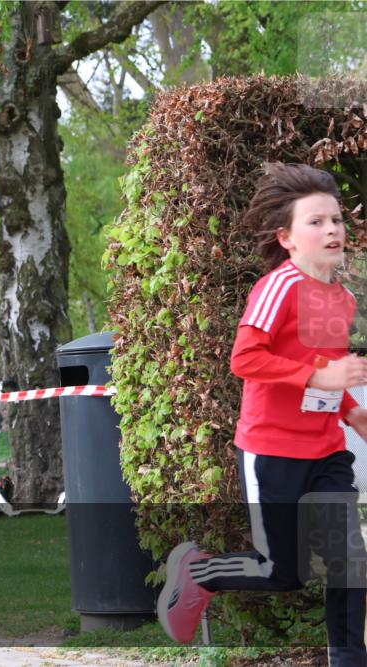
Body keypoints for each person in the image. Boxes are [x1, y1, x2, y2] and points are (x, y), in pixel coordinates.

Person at [157, 163, 367, 666]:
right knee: (281, 572)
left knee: (349, 562)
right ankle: (198, 573)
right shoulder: (280, 286)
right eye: (315, 222)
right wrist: (323, 379)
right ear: (287, 237)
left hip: (326, 450)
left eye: (336, 220)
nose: (331, 230)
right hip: (271, 451)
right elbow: (245, 359)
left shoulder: (343, 299)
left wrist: (353, 412)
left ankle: (348, 659)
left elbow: (323, 368)